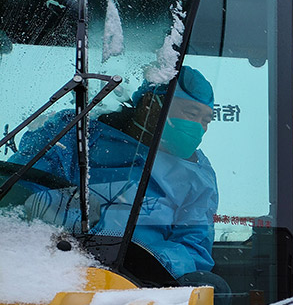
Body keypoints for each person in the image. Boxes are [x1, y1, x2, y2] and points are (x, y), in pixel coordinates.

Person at [14, 66, 220, 283]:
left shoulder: (196, 176)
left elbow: (194, 247)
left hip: (139, 288)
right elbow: (20, 193)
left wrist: (144, 262)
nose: (199, 127)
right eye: (191, 114)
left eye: (206, 120)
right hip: (51, 272)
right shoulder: (74, 135)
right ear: (151, 103)